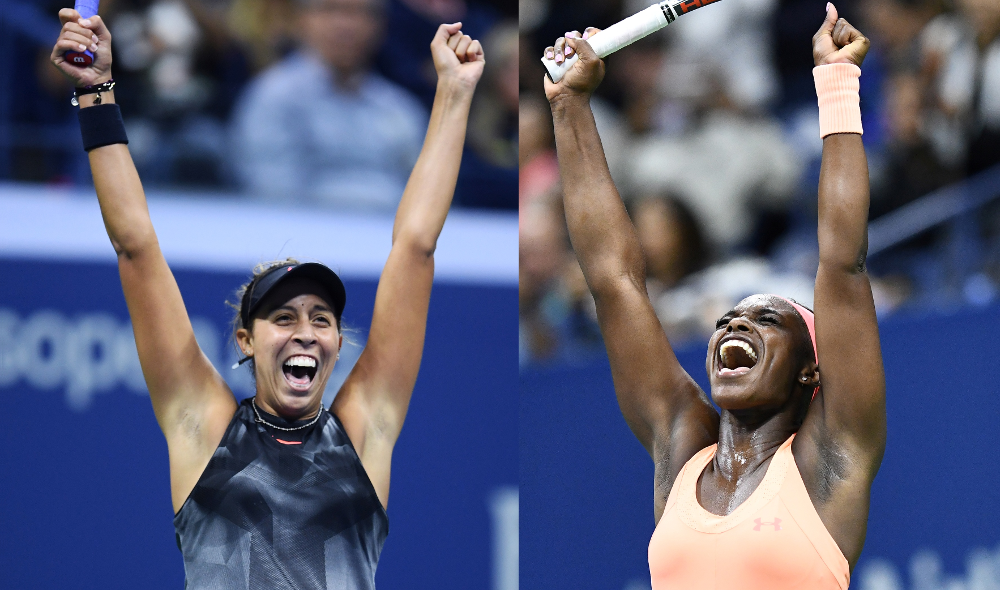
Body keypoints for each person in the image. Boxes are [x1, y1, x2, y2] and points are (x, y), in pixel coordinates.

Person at [51, 10, 483, 589]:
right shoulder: (200, 426)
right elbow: (135, 247)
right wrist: (96, 91)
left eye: (322, 318)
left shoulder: (364, 430)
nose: (306, 331)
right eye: (283, 317)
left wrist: (453, 93)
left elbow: (415, 248)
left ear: (335, 343)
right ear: (246, 340)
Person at [543, 4, 885, 588]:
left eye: (766, 319)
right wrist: (569, 105)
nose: (734, 325)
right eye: (727, 318)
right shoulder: (681, 448)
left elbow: (843, 264)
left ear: (811, 371)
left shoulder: (829, 460)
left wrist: (835, 83)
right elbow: (614, 282)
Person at [230, 0, 429, 210]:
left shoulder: (399, 107)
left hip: (394, 238)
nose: (346, 25)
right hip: (302, 235)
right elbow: (272, 192)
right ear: (301, 20)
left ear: (381, 25)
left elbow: (427, 196)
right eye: (330, 9)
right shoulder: (272, 98)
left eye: (361, 13)